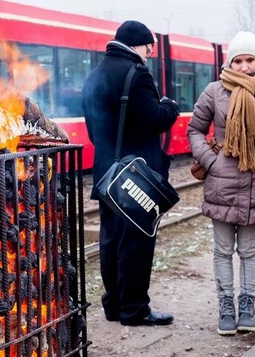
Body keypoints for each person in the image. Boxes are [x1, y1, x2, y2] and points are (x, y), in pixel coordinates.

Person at [187, 31, 255, 336]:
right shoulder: (213, 91)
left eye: (250, 60)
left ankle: (247, 305)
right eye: (238, 60)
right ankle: (226, 306)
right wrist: (211, 161)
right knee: (222, 250)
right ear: (229, 61)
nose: (244, 66)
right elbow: (195, 130)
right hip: (220, 183)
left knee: (248, 249)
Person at [82, 20, 179, 326]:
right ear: (137, 44)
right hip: (134, 177)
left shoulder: (95, 75)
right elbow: (154, 119)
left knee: (110, 240)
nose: (150, 53)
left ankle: (114, 305)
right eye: (148, 47)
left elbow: (93, 128)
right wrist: (170, 106)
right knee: (137, 242)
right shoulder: (137, 75)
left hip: (106, 174)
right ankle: (134, 309)